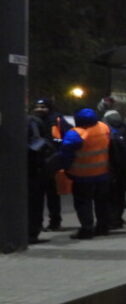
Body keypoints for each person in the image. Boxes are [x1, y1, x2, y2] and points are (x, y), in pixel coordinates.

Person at [60, 107, 112, 239]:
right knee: (102, 202)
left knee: (83, 203)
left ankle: (87, 229)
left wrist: (65, 168)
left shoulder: (75, 134)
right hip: (103, 173)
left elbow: (66, 154)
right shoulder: (103, 127)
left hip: (82, 176)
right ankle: (103, 227)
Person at [30, 98, 70, 230]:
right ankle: (42, 223)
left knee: (50, 193)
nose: (39, 109)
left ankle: (53, 221)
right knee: (43, 194)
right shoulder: (35, 121)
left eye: (43, 107)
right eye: (37, 107)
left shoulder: (55, 120)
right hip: (42, 160)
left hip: (51, 161)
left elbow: (64, 137)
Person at [103, 109, 126, 229]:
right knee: (120, 194)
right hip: (124, 165)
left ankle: (110, 219)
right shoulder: (125, 127)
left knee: (109, 194)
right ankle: (118, 219)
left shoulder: (106, 128)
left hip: (111, 166)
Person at [26, 111, 55, 244]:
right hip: (34, 173)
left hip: (24, 173)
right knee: (34, 205)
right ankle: (32, 233)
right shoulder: (38, 139)